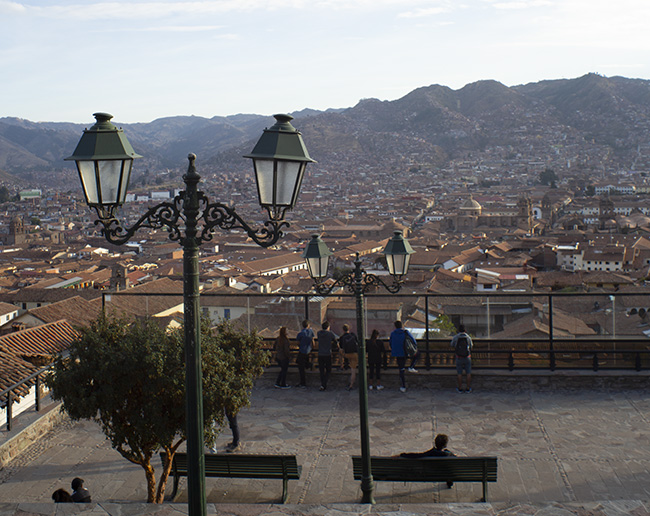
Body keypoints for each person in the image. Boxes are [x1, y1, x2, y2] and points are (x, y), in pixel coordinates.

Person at [389, 320, 416, 393]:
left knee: (401, 369)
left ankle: (403, 385)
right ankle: (411, 366)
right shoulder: (405, 332)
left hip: (397, 353)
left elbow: (390, 343)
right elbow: (413, 341)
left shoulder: (393, 334)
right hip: (405, 352)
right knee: (417, 354)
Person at [316, 321, 339, 391]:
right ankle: (324, 384)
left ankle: (322, 384)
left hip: (320, 354)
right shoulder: (330, 334)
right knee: (328, 370)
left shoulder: (319, 333)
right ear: (328, 327)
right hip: (327, 354)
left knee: (321, 370)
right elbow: (335, 340)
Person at [451, 324, 473, 393]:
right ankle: (468, 388)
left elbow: (452, 345)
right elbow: (471, 346)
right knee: (468, 373)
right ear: (465, 330)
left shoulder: (456, 337)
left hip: (459, 357)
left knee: (459, 373)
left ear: (458, 330)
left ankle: (460, 388)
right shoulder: (468, 337)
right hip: (467, 357)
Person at [339, 324, 359, 390]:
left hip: (346, 354)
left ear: (343, 330)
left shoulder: (342, 337)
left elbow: (341, 347)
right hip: (354, 354)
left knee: (340, 351)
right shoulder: (353, 335)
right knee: (353, 371)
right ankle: (351, 385)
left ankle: (342, 364)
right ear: (349, 329)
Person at [296, 320, 315, 388]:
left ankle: (302, 382)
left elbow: (298, 343)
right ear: (308, 325)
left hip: (302, 351)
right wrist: (312, 348)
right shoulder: (311, 332)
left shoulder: (300, 334)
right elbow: (313, 341)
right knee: (305, 363)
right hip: (308, 350)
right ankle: (309, 365)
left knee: (301, 367)